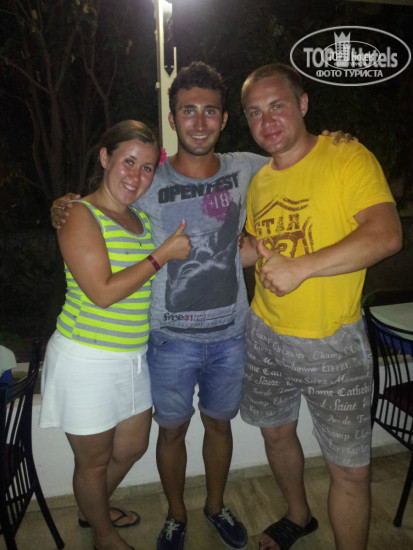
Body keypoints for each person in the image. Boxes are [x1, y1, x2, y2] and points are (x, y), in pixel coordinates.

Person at [51, 62, 354, 550]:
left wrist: (333, 141)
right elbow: (105, 202)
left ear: (225, 118)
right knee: (170, 434)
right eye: (187, 111)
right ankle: (176, 514)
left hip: (230, 336)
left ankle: (215, 505)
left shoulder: (246, 167)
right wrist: (65, 205)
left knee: (219, 426)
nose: (198, 122)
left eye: (209, 111)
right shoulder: (147, 180)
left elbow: (295, 154)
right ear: (173, 118)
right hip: (168, 340)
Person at [239, 63, 403, 550]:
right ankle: (298, 516)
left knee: (350, 470)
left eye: (277, 106)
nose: (267, 121)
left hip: (333, 342)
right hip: (265, 332)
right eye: (254, 112)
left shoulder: (347, 156)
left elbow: (386, 235)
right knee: (275, 434)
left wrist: (302, 267)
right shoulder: (260, 180)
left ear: (304, 103)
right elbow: (257, 246)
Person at [40, 120, 190, 550]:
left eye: (147, 167)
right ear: (105, 158)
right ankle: (103, 535)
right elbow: (103, 293)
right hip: (86, 358)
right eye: (128, 161)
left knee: (133, 446)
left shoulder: (140, 217)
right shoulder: (78, 214)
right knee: (93, 462)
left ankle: (93, 510)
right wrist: (161, 256)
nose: (136, 175)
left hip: (132, 357)